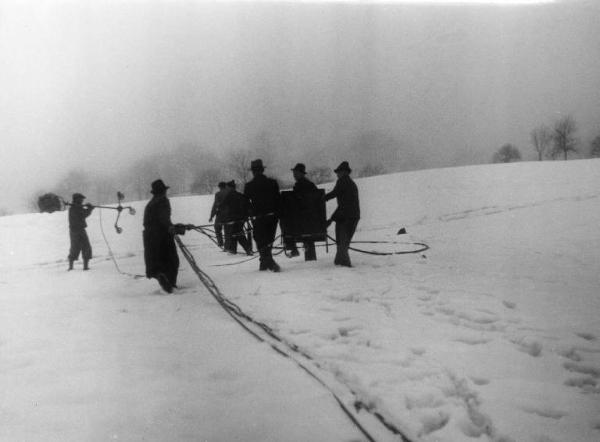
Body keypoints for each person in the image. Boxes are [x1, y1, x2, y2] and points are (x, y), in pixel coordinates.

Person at [143, 179, 180, 293]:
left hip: (150, 236)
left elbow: (157, 219)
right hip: (162, 235)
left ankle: (160, 275)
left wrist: (174, 226)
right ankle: (170, 283)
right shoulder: (163, 200)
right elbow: (163, 218)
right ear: (163, 191)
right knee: (172, 260)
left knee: (157, 260)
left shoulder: (151, 202)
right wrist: (171, 227)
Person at [244, 159, 281, 272]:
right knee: (269, 239)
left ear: (253, 172)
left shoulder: (249, 185)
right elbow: (278, 199)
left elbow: (246, 202)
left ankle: (268, 262)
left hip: (258, 218)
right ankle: (264, 262)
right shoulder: (272, 182)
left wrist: (250, 212)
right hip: (272, 217)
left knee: (260, 239)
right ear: (262, 170)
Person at [325, 161, 360, 267]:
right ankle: (339, 262)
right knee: (342, 242)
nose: (337, 174)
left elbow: (335, 194)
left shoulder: (342, 181)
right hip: (351, 216)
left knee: (342, 243)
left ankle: (344, 265)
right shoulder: (349, 182)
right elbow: (343, 204)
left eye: (339, 172)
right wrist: (332, 219)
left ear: (344, 172)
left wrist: (321, 199)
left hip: (346, 217)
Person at [285, 163, 318, 261]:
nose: (294, 175)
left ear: (301, 173)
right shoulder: (310, 184)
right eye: (294, 173)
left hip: (303, 220)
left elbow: (297, 202)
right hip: (311, 218)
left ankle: (293, 248)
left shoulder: (300, 185)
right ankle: (307, 254)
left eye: (295, 173)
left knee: (286, 222)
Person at [221, 180, 252, 255]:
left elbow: (222, 205)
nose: (226, 189)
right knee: (235, 233)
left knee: (238, 234)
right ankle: (233, 249)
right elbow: (248, 205)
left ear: (230, 188)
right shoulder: (240, 195)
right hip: (242, 218)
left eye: (227, 188)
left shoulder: (229, 196)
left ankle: (247, 249)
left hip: (234, 218)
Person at [68, 193, 94, 271]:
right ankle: (84, 267)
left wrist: (88, 208)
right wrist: (90, 209)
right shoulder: (76, 208)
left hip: (74, 231)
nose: (82, 200)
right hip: (79, 230)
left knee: (75, 247)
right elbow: (83, 214)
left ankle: (71, 267)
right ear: (77, 199)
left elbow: (82, 213)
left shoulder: (74, 207)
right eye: (81, 199)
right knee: (86, 247)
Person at [209, 181, 228, 248]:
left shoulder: (218, 194)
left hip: (220, 214)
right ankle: (227, 244)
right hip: (230, 215)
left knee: (217, 228)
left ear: (219, 187)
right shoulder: (230, 193)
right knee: (227, 229)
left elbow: (215, 206)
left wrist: (211, 216)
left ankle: (220, 243)